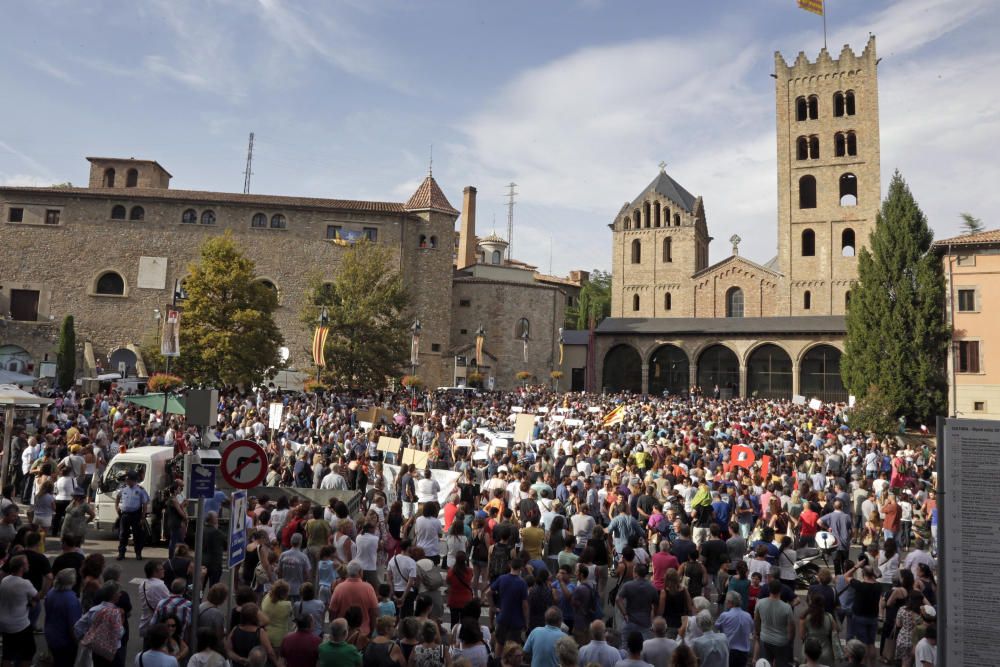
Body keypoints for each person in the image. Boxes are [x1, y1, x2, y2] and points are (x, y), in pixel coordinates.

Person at [754, 570, 795, 667]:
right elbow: (791, 628)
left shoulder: (760, 603)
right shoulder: (786, 607)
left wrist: (757, 633)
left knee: (766, 663)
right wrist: (789, 640)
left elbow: (756, 621)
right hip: (781, 641)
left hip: (765, 638)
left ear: (769, 589)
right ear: (780, 590)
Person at [329, 561, 379, 637]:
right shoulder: (368, 588)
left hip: (343, 633)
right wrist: (371, 631)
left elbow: (332, 612)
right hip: (363, 634)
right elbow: (374, 612)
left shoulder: (339, 588)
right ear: (360, 572)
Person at [45, 568, 83, 667]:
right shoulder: (71, 600)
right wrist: (77, 641)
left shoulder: (51, 592)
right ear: (72, 582)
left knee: (57, 661)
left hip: (51, 634)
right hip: (64, 641)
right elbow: (73, 627)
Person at [489, 558, 529, 646]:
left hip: (502, 617)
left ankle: (497, 659)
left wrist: (492, 607)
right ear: (521, 568)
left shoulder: (501, 578)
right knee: (512, 647)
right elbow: (524, 605)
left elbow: (488, 593)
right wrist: (526, 621)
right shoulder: (522, 583)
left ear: (510, 566)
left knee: (499, 645)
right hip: (516, 620)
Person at [617, 563, 660, 641]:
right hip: (645, 622)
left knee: (626, 646)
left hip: (630, 621)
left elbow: (618, 599)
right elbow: (656, 604)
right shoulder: (652, 587)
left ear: (635, 573)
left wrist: (625, 614)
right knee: (644, 648)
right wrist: (653, 616)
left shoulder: (628, 585)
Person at [115, 470, 149, 560]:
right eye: (126, 480)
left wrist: (142, 517)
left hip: (136, 515)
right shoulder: (124, 489)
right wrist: (116, 507)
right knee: (123, 535)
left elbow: (145, 504)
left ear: (133, 480)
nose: (127, 481)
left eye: (128, 479)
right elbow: (117, 497)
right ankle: (121, 553)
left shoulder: (140, 490)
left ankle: (138, 553)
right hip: (125, 515)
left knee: (137, 535)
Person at [797, 591, 838, 666]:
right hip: (826, 652)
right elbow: (835, 633)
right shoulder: (829, 617)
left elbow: (802, 636)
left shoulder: (804, 617)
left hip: (809, 652)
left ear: (811, 603)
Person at [715, 591, 753, 667]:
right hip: (744, 652)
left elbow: (717, 626)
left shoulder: (725, 616)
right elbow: (751, 629)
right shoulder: (748, 616)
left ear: (730, 602)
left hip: (729, 650)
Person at [139, 560, 171, 637]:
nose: (164, 570)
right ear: (154, 572)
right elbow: (169, 600)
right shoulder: (160, 585)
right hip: (157, 622)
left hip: (145, 621)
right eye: (161, 569)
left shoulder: (142, 584)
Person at [278, 533, 313, 601]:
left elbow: (279, 572)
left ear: (291, 542)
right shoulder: (303, 557)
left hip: (285, 589)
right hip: (298, 590)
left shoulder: (283, 555)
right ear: (300, 542)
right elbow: (307, 574)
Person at [203, 512, 228, 587]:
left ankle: (199, 598)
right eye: (216, 518)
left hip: (203, 562)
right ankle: (212, 599)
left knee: (200, 586)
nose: (218, 519)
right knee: (213, 587)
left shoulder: (202, 530)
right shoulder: (218, 532)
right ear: (213, 520)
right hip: (215, 564)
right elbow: (226, 545)